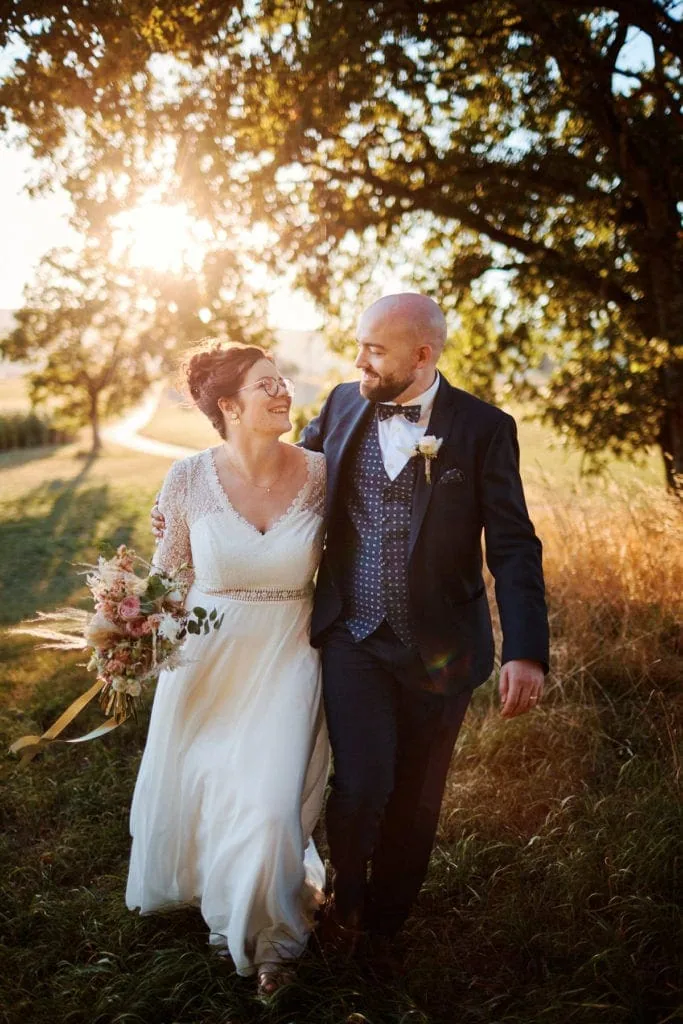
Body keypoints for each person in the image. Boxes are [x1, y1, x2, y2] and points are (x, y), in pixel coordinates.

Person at [152, 293, 549, 955]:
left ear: (422, 356)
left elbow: (511, 545)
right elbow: (281, 475)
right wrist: (195, 498)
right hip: (351, 637)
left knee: (417, 799)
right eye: (357, 343)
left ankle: (385, 923)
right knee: (361, 783)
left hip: (443, 647)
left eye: (374, 350)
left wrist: (526, 650)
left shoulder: (484, 429)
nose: (357, 360)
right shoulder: (340, 403)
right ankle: (345, 896)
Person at [127, 343, 329, 1000]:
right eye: (266, 385)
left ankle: (273, 945)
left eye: (283, 381)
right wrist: (128, 631)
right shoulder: (186, 479)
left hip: (290, 654)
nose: (282, 393)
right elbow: (171, 573)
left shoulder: (324, 473)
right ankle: (231, 908)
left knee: (271, 807)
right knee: (222, 795)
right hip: (208, 661)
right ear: (229, 405)